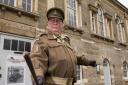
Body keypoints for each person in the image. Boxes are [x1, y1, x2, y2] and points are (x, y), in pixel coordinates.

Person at [30, 7, 97, 85]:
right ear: (48, 23)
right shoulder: (42, 40)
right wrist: (38, 75)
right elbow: (37, 59)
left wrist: (88, 62)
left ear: (62, 24)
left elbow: (74, 57)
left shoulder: (65, 40)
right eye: (52, 20)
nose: (55, 22)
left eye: (58, 21)